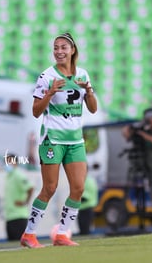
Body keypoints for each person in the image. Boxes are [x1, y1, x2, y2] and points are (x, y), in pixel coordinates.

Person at [20, 32, 97, 248]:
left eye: (64, 47)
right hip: (53, 139)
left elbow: (92, 108)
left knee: (79, 188)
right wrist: (49, 93)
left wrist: (88, 91)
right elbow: (36, 111)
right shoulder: (46, 76)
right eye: (56, 48)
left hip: (75, 140)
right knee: (50, 188)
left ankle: (62, 234)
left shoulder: (83, 74)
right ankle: (29, 234)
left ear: (73, 50)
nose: (59, 51)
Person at [4, 153, 34, 241]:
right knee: (11, 245)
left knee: (19, 244)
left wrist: (25, 202)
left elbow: (30, 188)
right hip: (10, 216)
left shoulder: (18, 175)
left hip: (19, 216)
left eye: (9, 161)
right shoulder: (9, 176)